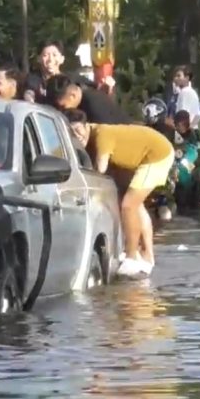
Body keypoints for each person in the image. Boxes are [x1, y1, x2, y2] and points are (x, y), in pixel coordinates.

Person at [66, 109, 175, 278]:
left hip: (157, 155)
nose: (77, 136)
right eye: (71, 133)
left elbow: (100, 170)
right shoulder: (94, 134)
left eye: (78, 130)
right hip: (150, 154)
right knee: (136, 204)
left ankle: (131, 257)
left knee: (128, 206)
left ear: (87, 126)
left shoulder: (102, 135)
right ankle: (147, 256)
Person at [23, 40, 99, 104]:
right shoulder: (33, 79)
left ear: (62, 59)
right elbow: (29, 93)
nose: (50, 59)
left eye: (54, 55)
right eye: (46, 55)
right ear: (38, 59)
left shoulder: (71, 78)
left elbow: (95, 88)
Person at [48, 74, 131, 125]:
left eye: (62, 107)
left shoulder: (94, 105)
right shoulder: (87, 96)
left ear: (72, 96)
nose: (61, 111)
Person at [172, 110, 200, 213]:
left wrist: (194, 162)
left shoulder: (196, 134)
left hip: (195, 165)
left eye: (179, 124)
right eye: (176, 124)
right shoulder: (174, 135)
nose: (178, 127)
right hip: (179, 170)